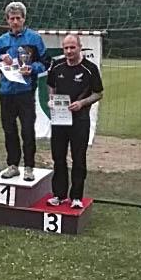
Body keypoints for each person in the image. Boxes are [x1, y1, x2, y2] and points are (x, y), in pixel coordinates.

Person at [46, 33, 103, 209]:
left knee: (78, 158)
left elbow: (98, 93)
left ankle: (76, 197)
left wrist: (82, 103)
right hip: (60, 120)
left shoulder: (90, 68)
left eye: (72, 47)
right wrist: (51, 99)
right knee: (58, 157)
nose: (69, 51)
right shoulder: (57, 66)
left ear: (80, 47)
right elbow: (51, 85)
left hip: (80, 120)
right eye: (66, 48)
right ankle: (59, 195)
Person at [0, 1, 49, 182]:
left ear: (24, 19)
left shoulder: (34, 38)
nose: (15, 22)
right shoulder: (1, 41)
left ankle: (29, 167)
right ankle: (13, 165)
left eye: (18, 18)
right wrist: (0, 61)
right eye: (12, 18)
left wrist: (32, 69)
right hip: (6, 92)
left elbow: (46, 63)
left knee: (27, 130)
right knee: (9, 130)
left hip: (26, 92)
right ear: (7, 20)